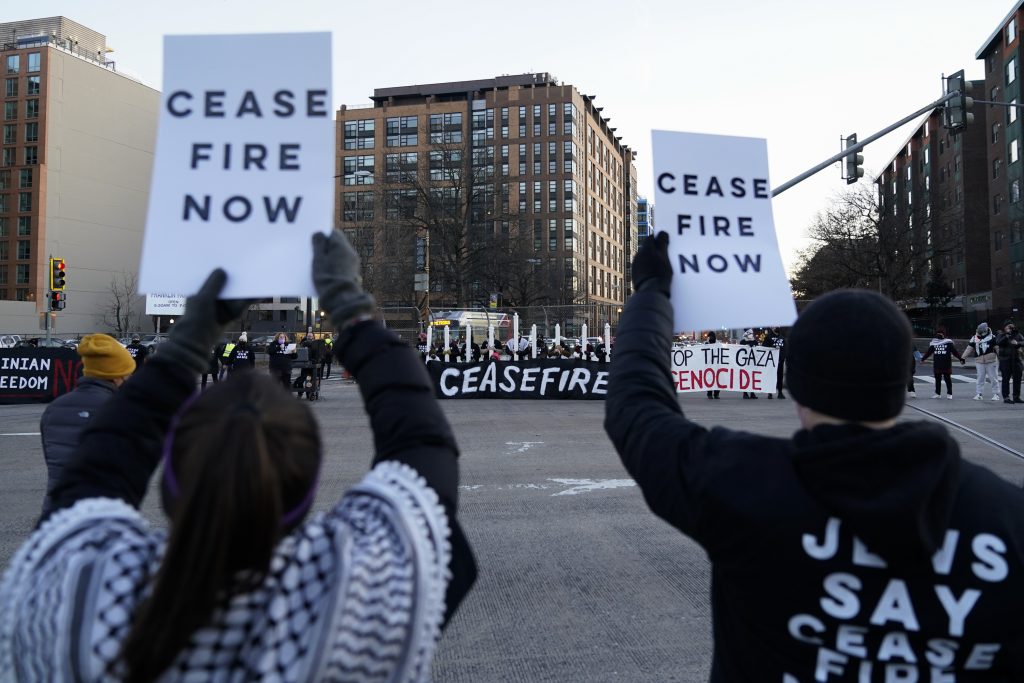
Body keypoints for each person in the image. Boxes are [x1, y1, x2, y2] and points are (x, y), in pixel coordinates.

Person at [0, 231, 477, 682]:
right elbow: (422, 445)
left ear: (168, 482)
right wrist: (351, 308)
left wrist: (189, 339)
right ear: (307, 489)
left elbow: (100, 463)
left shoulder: (77, 590)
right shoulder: (361, 601)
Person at [605, 232, 1024, 681]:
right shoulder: (1007, 520)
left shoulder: (739, 485)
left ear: (797, 385)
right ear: (904, 378)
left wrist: (652, 292)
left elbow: (636, 405)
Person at [38, 334, 135, 519]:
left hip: (56, 514)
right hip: (102, 515)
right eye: (127, 373)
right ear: (116, 376)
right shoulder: (122, 411)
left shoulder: (53, 409)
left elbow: (52, 461)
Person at [920, 327, 965, 399]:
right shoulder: (934, 343)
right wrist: (923, 359)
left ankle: (949, 393)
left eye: (940, 334)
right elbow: (929, 352)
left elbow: (955, 352)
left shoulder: (948, 342)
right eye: (937, 334)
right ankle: (938, 393)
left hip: (946, 364)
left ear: (944, 334)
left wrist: (960, 359)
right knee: (937, 379)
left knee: (947, 379)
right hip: (937, 364)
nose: (938, 335)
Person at [964, 322, 1001, 401]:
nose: (980, 333)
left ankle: (996, 394)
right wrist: (963, 358)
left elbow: (997, 348)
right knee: (980, 378)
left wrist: (1001, 358)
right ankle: (979, 393)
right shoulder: (974, 338)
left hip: (991, 360)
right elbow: (969, 348)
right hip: (979, 361)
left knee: (993, 377)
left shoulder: (993, 338)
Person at [995, 319, 1024, 404]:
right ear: (1004, 328)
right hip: (1005, 360)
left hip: (1016, 359)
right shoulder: (1001, 335)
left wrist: (1018, 343)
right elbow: (998, 342)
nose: (1010, 327)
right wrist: (1006, 336)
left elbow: (1023, 342)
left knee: (1017, 379)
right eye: (1008, 326)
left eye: (1011, 326)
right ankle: (1006, 397)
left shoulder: (1017, 334)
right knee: (1006, 379)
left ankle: (1016, 397)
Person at [762, 326, 787, 399]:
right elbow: (764, 347)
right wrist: (772, 346)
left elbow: (785, 348)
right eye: (775, 326)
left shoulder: (782, 338)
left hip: (780, 361)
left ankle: (780, 392)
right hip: (771, 361)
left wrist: (783, 357)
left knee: (780, 377)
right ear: (772, 328)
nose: (777, 327)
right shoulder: (768, 337)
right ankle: (770, 393)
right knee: (771, 377)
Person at [740, 329, 759, 399]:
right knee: (745, 378)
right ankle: (745, 393)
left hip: (752, 363)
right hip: (745, 363)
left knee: (752, 378)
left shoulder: (755, 342)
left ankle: (752, 393)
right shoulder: (742, 342)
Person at [704, 331, 721, 400]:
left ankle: (716, 394)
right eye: (710, 337)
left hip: (717, 365)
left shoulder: (718, 344)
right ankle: (709, 393)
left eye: (712, 336)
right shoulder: (706, 344)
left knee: (717, 380)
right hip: (709, 365)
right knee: (709, 379)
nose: (711, 338)